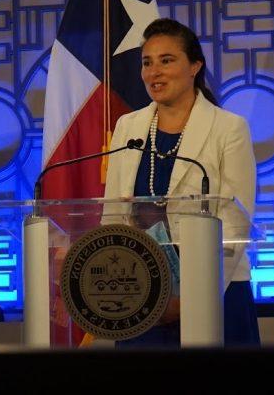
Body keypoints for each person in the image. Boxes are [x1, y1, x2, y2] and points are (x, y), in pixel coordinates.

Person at [104, 17, 260, 347]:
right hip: (142, 293)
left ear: (194, 66)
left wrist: (193, 297)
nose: (153, 72)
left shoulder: (229, 129)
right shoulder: (127, 127)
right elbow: (113, 216)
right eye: (147, 63)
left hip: (218, 291)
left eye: (166, 60)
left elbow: (235, 224)